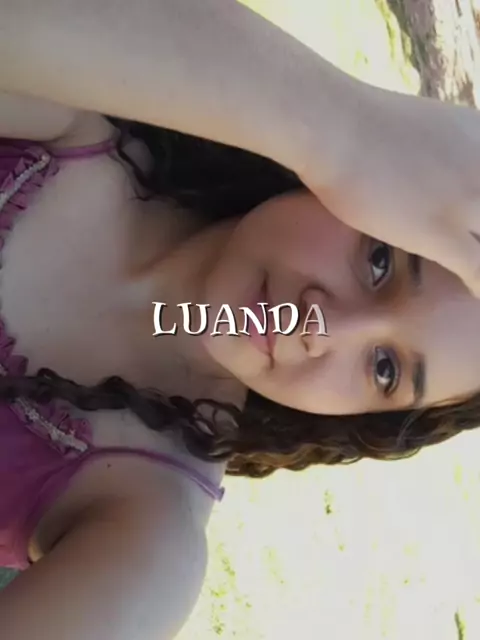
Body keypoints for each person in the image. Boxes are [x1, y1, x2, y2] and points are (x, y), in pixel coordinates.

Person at [2, 1, 480, 638]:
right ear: (371, 183)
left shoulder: (144, 528)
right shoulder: (76, 114)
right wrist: (345, 128)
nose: (323, 328)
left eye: (386, 369)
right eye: (380, 261)